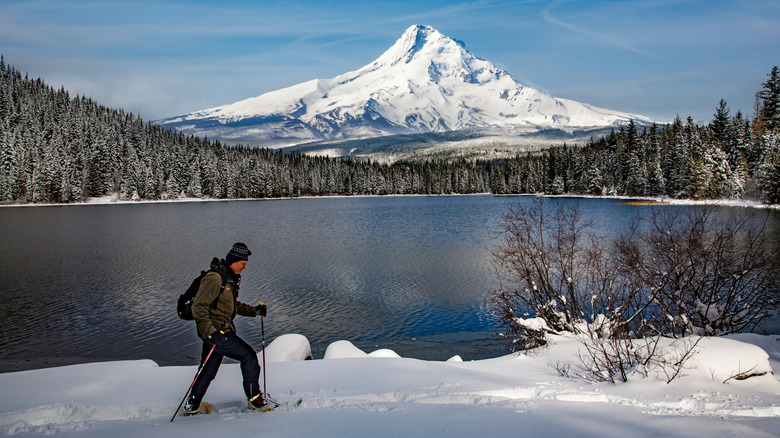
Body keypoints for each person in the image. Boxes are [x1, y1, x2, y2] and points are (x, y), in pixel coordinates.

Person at [183, 242, 268, 415]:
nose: (244, 268)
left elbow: (231, 305)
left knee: (208, 370)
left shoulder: (228, 278)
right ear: (234, 260)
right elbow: (198, 307)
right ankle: (255, 398)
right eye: (243, 264)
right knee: (248, 355)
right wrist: (210, 333)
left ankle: (191, 406)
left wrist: (254, 311)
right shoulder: (215, 278)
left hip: (215, 332)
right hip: (217, 332)